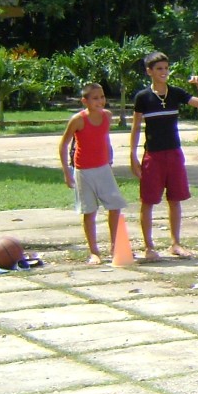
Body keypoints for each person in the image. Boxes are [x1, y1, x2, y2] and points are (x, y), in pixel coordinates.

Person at [129, 52, 198, 261]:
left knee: (175, 199)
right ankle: (149, 246)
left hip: (174, 153)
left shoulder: (175, 93)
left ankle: (175, 243)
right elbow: (136, 127)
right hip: (153, 155)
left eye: (166, 68)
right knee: (148, 201)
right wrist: (132, 155)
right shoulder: (143, 97)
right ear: (149, 72)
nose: (164, 72)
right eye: (159, 69)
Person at [58, 83, 127, 265]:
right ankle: (94, 251)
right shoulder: (78, 120)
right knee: (89, 211)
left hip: (103, 168)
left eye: (102, 97)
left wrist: (109, 161)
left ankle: (114, 246)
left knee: (114, 206)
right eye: (95, 98)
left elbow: (105, 140)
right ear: (85, 101)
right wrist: (67, 171)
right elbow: (64, 144)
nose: (100, 101)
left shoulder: (108, 116)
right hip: (83, 171)